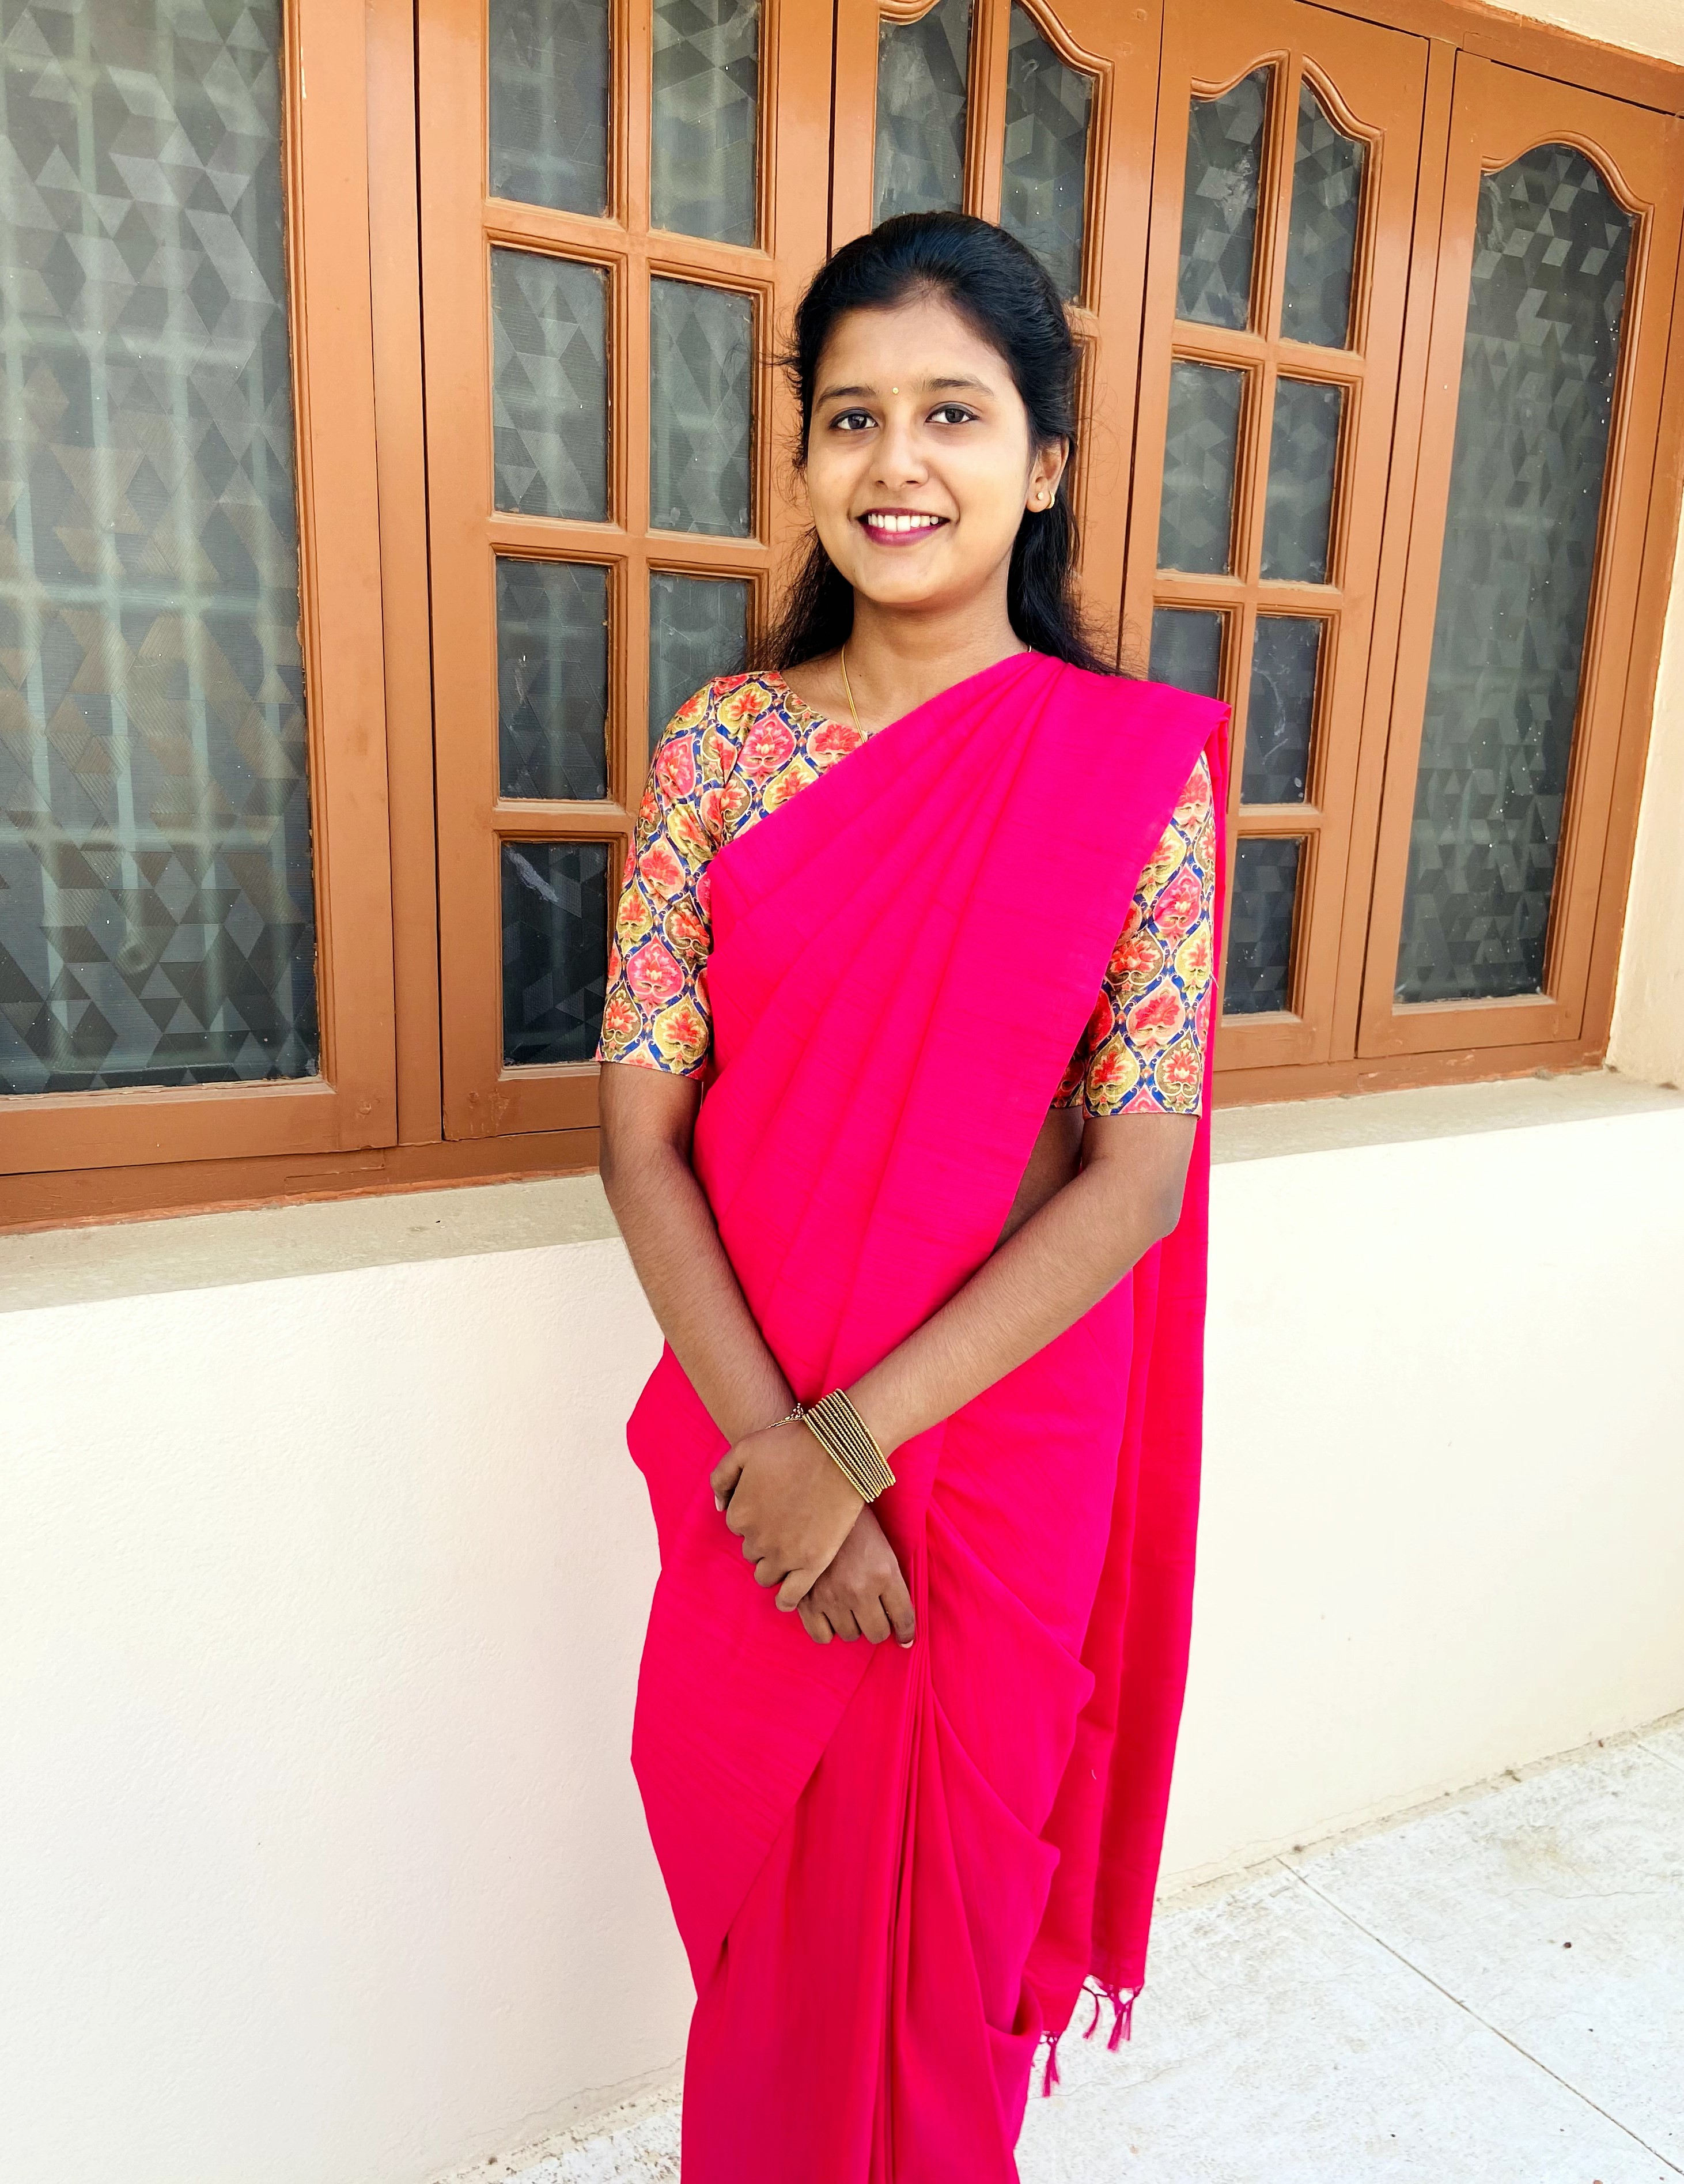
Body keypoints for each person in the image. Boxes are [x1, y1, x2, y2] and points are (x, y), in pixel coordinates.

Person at [595, 210, 1230, 2183]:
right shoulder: (724, 750)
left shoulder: (1132, 775)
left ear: (1041, 464)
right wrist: (779, 1465)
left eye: (954, 413)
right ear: (803, 457)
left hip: (991, 1459)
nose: (897, 461)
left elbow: (1137, 1175)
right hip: (750, 1437)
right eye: (851, 415)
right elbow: (638, 1135)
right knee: (776, 1930)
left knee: (941, 1931)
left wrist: (854, 1446)